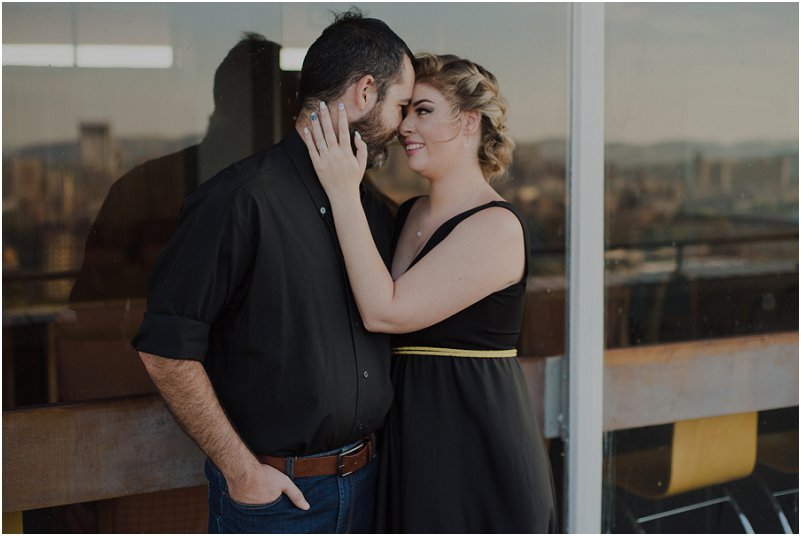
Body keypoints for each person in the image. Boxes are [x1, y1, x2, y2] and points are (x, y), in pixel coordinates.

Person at [131, 9, 415, 534]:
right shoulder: (237, 200)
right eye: (401, 106)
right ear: (365, 92)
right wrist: (243, 473)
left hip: (372, 485)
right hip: (278, 499)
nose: (403, 128)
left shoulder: (374, 210)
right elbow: (165, 349)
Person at [302, 53, 557, 532]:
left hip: (473, 442)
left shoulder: (497, 227)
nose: (404, 127)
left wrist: (342, 191)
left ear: (469, 122)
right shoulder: (409, 213)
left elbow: (384, 311)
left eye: (423, 110)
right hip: (411, 436)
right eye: (405, 111)